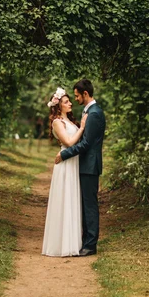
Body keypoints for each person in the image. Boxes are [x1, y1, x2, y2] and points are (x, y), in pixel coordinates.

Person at [55, 79, 105, 257]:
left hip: (89, 166)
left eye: (76, 95)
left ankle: (90, 245)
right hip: (84, 165)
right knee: (84, 205)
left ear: (85, 94)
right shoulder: (88, 112)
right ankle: (85, 241)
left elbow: (86, 144)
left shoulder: (95, 113)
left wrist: (64, 155)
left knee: (90, 205)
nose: (75, 99)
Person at [42, 87, 88, 257]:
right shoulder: (57, 122)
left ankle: (72, 243)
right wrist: (82, 128)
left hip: (73, 164)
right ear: (58, 106)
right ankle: (60, 244)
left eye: (69, 101)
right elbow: (69, 142)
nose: (70, 104)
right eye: (66, 102)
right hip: (65, 165)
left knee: (73, 199)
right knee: (64, 200)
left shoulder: (69, 121)